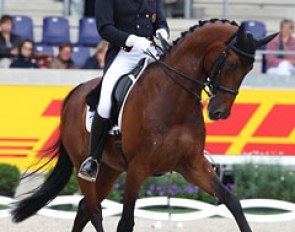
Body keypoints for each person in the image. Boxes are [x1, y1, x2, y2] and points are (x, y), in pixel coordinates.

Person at [78, 0, 169, 182]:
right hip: (124, 54)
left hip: (152, 50)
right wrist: (133, 40)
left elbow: (160, 21)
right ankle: (93, 158)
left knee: (178, 83)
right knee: (105, 103)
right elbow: (105, 28)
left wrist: (161, 32)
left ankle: (193, 147)